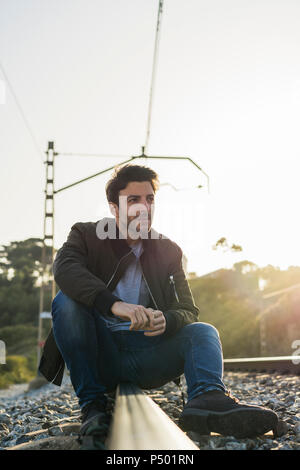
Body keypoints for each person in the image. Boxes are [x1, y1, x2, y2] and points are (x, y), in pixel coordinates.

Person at [39, 164, 278, 442]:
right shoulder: (86, 235)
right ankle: (92, 407)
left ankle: (206, 400)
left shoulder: (168, 251)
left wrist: (170, 319)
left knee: (203, 331)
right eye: (134, 200)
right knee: (65, 301)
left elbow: (188, 310)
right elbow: (65, 270)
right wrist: (114, 305)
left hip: (148, 355)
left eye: (149, 199)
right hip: (99, 354)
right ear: (114, 208)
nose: (144, 207)